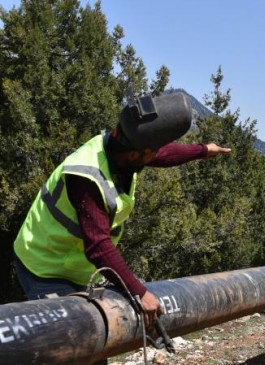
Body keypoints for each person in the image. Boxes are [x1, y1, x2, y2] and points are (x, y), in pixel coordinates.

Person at [13, 92, 231, 331]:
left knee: (93, 343)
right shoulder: (87, 177)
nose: (156, 154)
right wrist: (140, 292)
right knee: (74, 337)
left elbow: (165, 154)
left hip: (74, 266)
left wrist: (202, 150)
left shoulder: (124, 147)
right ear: (138, 154)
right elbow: (98, 246)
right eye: (153, 152)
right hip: (44, 266)